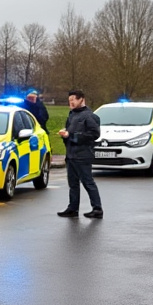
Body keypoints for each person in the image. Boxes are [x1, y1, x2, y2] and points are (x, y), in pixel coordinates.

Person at [57, 90, 103, 219]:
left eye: (73, 100)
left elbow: (94, 134)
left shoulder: (89, 116)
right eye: (69, 101)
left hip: (83, 155)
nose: (70, 103)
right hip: (71, 155)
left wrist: (72, 136)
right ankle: (73, 208)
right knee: (73, 184)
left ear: (81, 100)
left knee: (88, 182)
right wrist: (65, 135)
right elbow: (69, 132)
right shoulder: (71, 115)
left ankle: (97, 209)